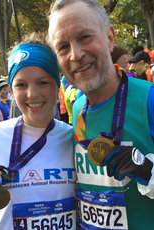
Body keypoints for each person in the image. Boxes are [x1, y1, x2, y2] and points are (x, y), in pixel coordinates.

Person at [48, 0, 154, 229]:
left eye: (85, 37)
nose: (75, 55)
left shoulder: (150, 100)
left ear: (109, 38)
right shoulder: (78, 109)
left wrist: (149, 171)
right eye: (63, 47)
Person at [0, 36, 76, 230]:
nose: (31, 94)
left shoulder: (73, 138)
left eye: (42, 83)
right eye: (21, 85)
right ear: (11, 89)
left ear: (57, 85)